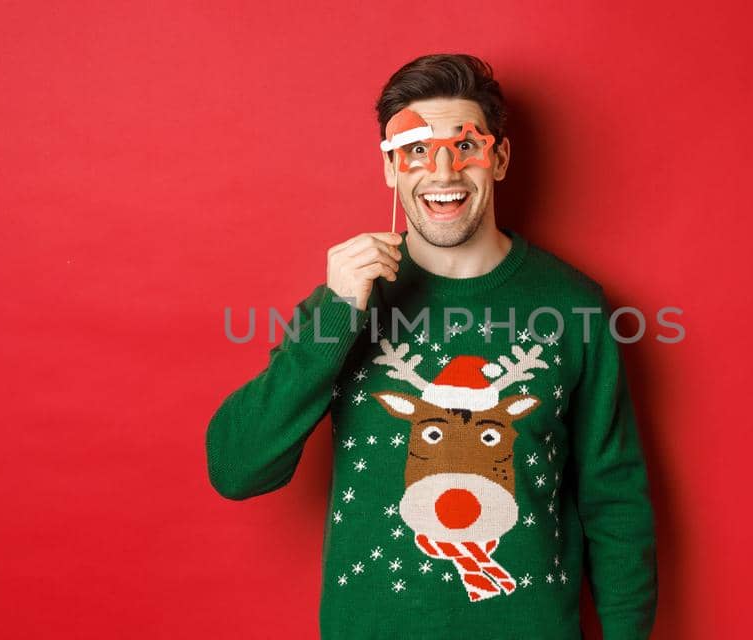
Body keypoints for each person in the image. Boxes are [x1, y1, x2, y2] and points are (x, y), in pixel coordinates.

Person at [206, 53, 658, 639]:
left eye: (464, 146)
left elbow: (614, 496)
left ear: (498, 159)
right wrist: (336, 314)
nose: (442, 172)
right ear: (392, 169)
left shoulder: (574, 305)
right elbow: (236, 469)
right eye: (417, 149)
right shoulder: (343, 304)